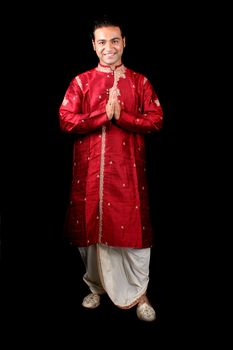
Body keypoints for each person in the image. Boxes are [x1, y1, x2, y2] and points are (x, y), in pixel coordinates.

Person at [58, 15, 163, 322]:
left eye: (114, 41)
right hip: (90, 175)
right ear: (93, 46)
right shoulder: (80, 82)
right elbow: (66, 120)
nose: (109, 47)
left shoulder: (140, 82)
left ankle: (139, 294)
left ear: (124, 43)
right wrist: (101, 116)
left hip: (127, 176)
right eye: (102, 42)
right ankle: (96, 286)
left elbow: (156, 119)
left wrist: (123, 117)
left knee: (133, 235)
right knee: (90, 236)